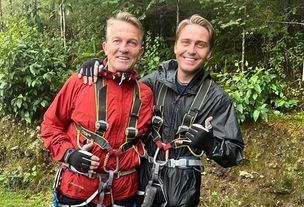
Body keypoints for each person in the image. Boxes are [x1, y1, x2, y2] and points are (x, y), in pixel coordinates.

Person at [79, 14, 244, 207]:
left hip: (183, 192)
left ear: (209, 52)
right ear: (175, 46)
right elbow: (121, 89)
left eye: (200, 45)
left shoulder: (216, 99)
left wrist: (211, 144)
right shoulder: (152, 82)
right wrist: (100, 65)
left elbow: (234, 153)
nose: (191, 50)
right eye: (186, 42)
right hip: (140, 183)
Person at [41, 12, 154, 207]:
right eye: (116, 41)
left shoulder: (146, 94)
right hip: (77, 191)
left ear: (141, 51)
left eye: (131, 43)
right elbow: (50, 126)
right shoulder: (81, 82)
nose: (123, 49)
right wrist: (69, 154)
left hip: (124, 195)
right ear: (105, 46)